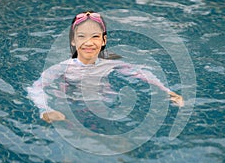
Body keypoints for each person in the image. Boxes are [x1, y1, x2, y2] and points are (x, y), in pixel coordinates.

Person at [27, 11, 184, 123]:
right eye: (82, 36)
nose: (88, 42)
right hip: (71, 108)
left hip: (105, 106)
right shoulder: (62, 68)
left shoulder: (111, 64)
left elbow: (141, 73)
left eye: (95, 36)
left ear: (103, 40)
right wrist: (45, 110)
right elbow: (36, 87)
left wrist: (167, 91)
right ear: (73, 41)